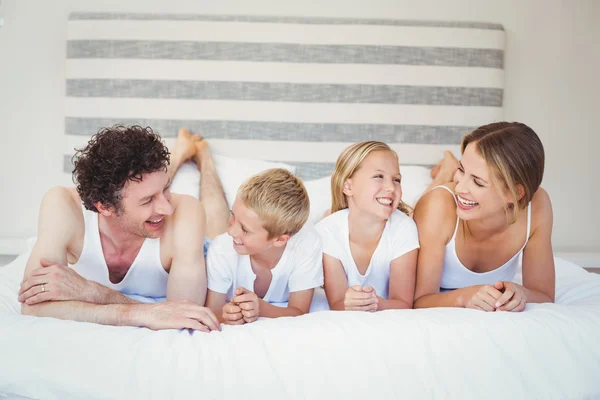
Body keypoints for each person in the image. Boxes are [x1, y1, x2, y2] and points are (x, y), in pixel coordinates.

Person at [18, 125, 220, 332]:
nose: (167, 208)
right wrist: (140, 313)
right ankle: (177, 156)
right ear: (105, 207)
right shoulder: (63, 205)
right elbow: (32, 307)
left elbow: (185, 314)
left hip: (199, 240)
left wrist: (93, 292)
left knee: (218, 230)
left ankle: (205, 162)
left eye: (166, 189)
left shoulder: (185, 211)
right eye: (148, 200)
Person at [413, 122, 555, 312]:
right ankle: (447, 170)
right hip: (434, 207)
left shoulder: (537, 206)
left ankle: (449, 168)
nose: (461, 187)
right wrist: (464, 296)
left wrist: (522, 293)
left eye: (478, 182)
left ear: (515, 193)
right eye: (461, 170)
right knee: (422, 202)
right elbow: (419, 301)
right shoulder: (436, 206)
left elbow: (544, 295)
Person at [204, 168, 324, 325]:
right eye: (232, 213)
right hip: (210, 247)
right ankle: (205, 161)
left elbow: (300, 312)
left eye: (245, 230)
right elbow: (213, 310)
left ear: (280, 240)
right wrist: (226, 315)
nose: (231, 231)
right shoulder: (221, 248)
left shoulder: (308, 245)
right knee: (213, 230)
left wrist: (261, 308)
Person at [315, 141, 419, 311]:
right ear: (348, 186)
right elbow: (337, 303)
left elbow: (403, 303)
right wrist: (353, 303)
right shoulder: (326, 231)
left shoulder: (404, 228)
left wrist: (374, 302)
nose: (391, 187)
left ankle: (444, 173)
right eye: (379, 176)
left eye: (396, 179)